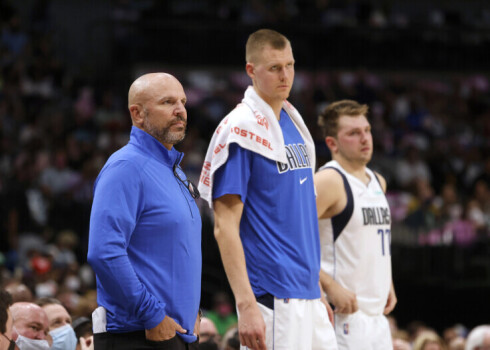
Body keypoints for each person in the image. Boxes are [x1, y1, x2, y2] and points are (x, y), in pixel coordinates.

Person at [198, 29, 337, 350]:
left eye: (290, 65)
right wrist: (246, 305)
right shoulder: (240, 130)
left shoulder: (292, 121)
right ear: (251, 70)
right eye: (275, 67)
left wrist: (315, 291)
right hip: (272, 297)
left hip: (308, 295)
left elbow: (297, 219)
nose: (285, 75)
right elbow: (224, 227)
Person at [87, 72, 202, 350]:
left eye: (183, 102)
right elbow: (104, 252)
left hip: (175, 333)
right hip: (139, 335)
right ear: (137, 114)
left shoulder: (171, 170)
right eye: (167, 102)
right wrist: (152, 315)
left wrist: (192, 314)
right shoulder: (126, 167)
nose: (180, 111)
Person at [315, 100, 397, 350]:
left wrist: (388, 281)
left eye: (367, 130)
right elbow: (288, 238)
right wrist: (327, 285)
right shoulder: (329, 180)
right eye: (353, 133)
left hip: (376, 316)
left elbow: (373, 240)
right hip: (343, 315)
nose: (365, 138)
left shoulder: (378, 181)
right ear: (332, 143)